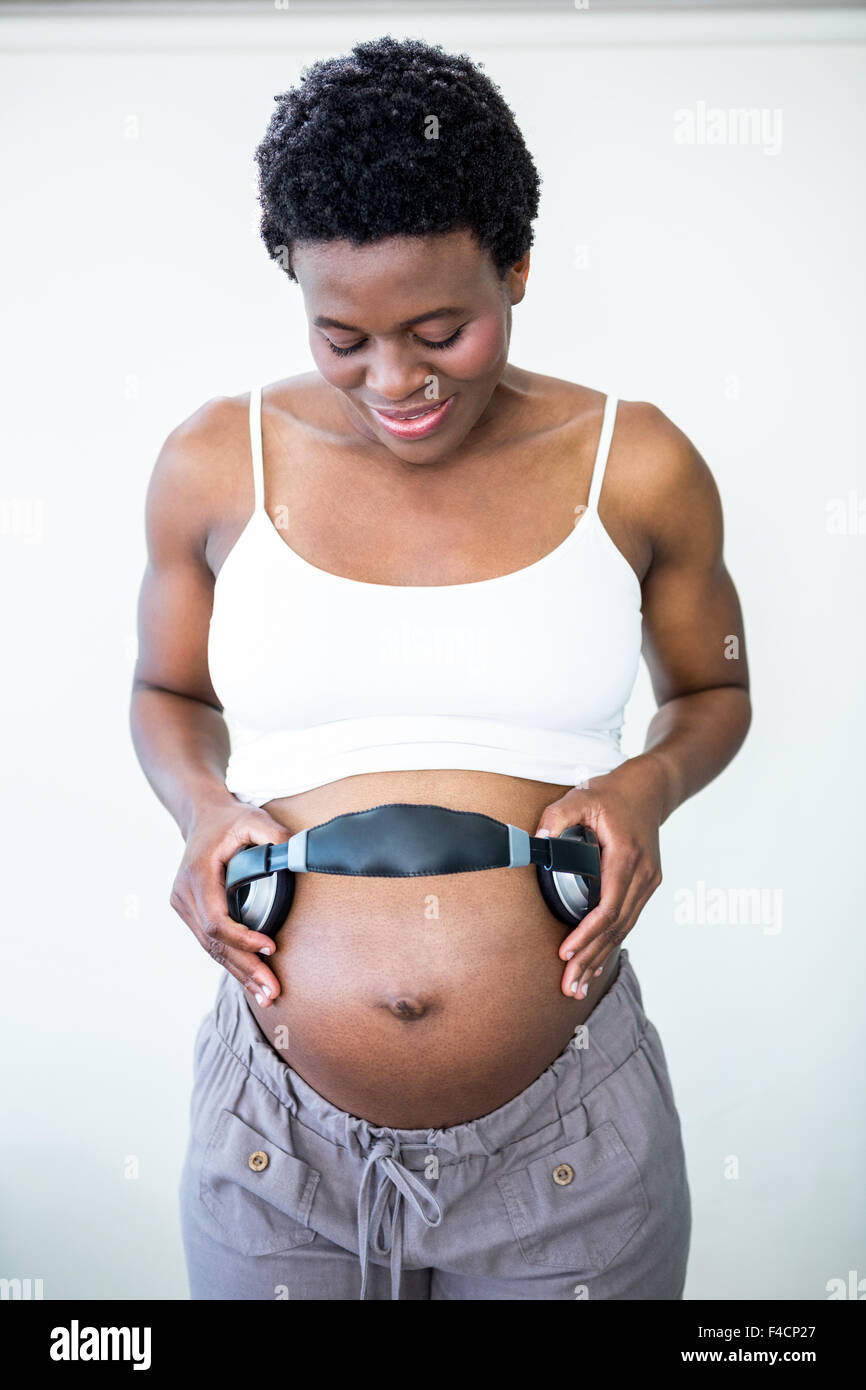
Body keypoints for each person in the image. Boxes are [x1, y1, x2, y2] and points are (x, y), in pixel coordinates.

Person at [130, 35, 751, 1300]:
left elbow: (713, 689)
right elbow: (168, 693)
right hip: (274, 1143)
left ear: (516, 267)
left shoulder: (631, 464)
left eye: (438, 329)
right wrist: (201, 810)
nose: (393, 382)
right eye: (340, 337)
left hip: (565, 1151)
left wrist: (643, 789)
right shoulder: (212, 459)